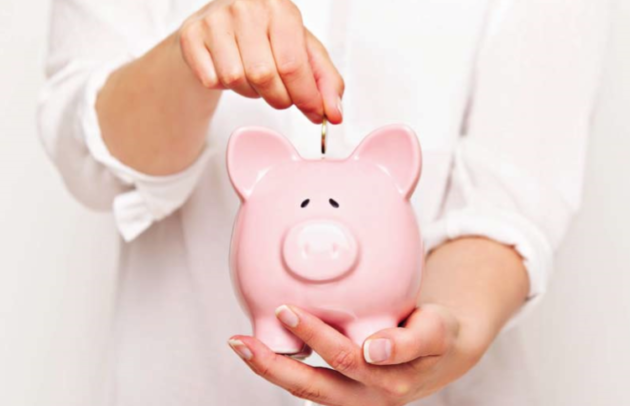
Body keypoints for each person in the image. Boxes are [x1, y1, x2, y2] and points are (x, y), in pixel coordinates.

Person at [37, 0, 607, 405]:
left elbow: (511, 191)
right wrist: (191, 60)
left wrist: (444, 327)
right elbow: (83, 156)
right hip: (185, 381)